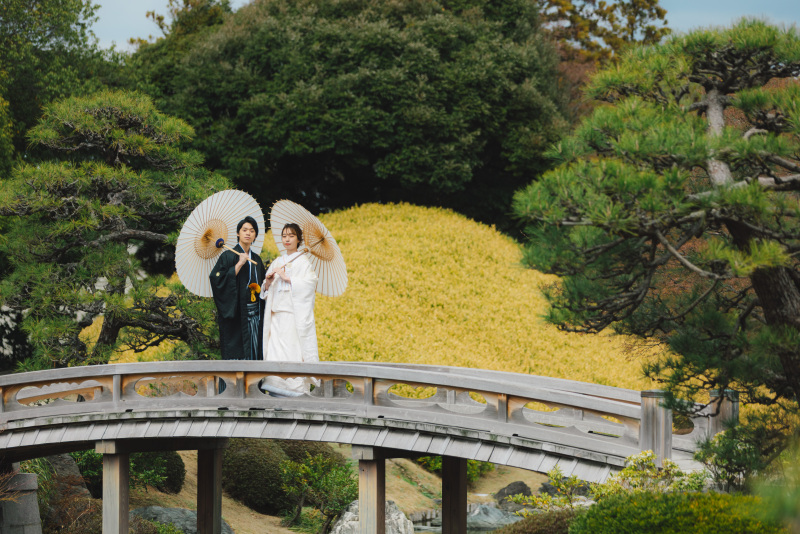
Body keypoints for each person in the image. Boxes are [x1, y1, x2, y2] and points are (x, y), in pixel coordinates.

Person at [260, 223, 320, 395]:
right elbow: (264, 292)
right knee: (275, 352)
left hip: (292, 317)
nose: (287, 239)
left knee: (292, 351)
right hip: (276, 317)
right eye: (284, 235)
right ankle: (274, 388)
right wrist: (269, 282)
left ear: (298, 239)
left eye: (291, 235)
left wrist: (289, 279)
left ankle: (294, 391)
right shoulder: (277, 262)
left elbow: (310, 284)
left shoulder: (303, 262)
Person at [209, 216, 267, 360]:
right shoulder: (228, 256)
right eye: (244, 230)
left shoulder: (257, 260)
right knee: (237, 354)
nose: (248, 233)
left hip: (256, 314)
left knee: (255, 350)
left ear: (255, 235)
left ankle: (254, 383)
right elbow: (216, 279)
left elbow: (263, 286)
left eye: (252, 231)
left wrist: (268, 282)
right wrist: (239, 264)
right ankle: (235, 383)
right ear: (238, 233)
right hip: (237, 315)